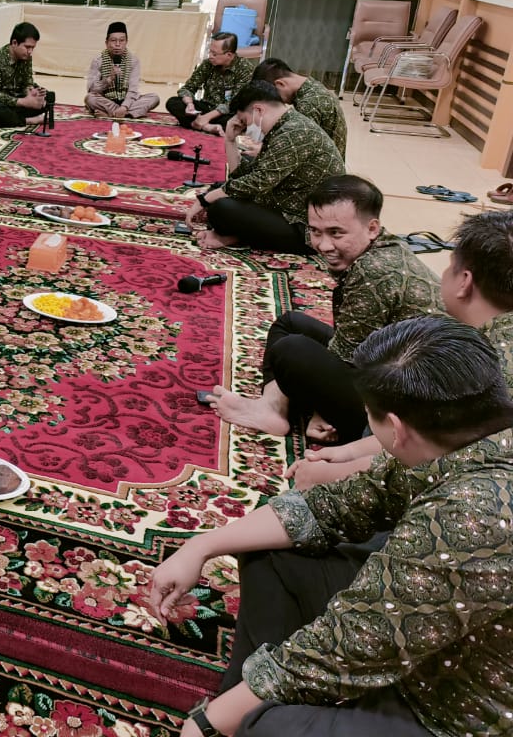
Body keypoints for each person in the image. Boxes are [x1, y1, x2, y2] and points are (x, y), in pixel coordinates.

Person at [151, 315, 513, 737]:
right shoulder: (468, 444)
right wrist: (200, 546)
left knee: (268, 726)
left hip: (464, 711)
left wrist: (204, 725)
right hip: (445, 647)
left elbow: (348, 646)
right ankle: (242, 700)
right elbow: (330, 506)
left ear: (395, 430)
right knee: (272, 548)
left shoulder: (472, 515)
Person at [289, 209, 513, 488]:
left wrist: (334, 474)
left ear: (464, 282)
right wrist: (348, 454)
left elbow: (437, 463)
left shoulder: (477, 362)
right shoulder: (485, 341)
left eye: (450, 266)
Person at [212, 175, 440, 444]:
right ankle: (272, 408)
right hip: (390, 370)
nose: (323, 245)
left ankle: (301, 415)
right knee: (290, 324)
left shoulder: (374, 270)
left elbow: (349, 357)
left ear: (372, 228)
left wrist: (323, 411)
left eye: (336, 233)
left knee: (291, 350)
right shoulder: (385, 247)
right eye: (316, 232)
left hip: (406, 414)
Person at [184, 80, 344, 253]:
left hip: (310, 229)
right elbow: (240, 179)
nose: (244, 127)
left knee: (220, 208)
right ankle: (238, 234)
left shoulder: (293, 132)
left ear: (258, 110)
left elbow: (257, 183)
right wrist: (230, 140)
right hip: (285, 205)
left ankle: (237, 235)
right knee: (220, 191)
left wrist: (204, 199)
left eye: (244, 121)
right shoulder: (285, 126)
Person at [252, 57, 347, 156]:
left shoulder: (308, 105)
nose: (279, 102)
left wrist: (263, 150)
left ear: (280, 84)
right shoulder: (312, 85)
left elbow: (298, 148)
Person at [166, 32, 256, 134]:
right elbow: (188, 87)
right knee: (173, 102)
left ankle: (196, 124)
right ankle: (206, 127)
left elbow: (233, 103)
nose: (210, 56)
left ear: (229, 55)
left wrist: (206, 117)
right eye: (210, 52)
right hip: (206, 107)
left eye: (214, 54)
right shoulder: (208, 64)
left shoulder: (245, 69)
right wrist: (189, 104)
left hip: (226, 113)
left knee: (240, 120)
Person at [85, 21, 160, 119]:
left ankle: (111, 114)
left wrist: (124, 106)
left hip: (128, 102)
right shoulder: (98, 61)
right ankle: (127, 114)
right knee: (90, 98)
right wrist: (108, 79)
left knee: (154, 98)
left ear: (126, 42)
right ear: (106, 43)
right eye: (113, 40)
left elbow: (133, 89)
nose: (117, 44)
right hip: (106, 100)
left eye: (121, 40)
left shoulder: (133, 60)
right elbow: (91, 90)